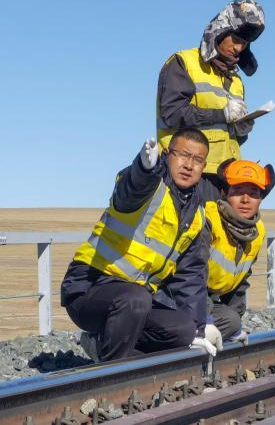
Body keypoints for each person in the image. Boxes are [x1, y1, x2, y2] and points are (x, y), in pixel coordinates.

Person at [60, 128, 219, 361]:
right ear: (168, 154)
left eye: (197, 160)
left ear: (203, 166)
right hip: (89, 287)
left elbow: (189, 277)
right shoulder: (151, 186)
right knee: (135, 299)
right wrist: (144, 169)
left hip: (136, 301)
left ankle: (105, 349)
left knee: (182, 330)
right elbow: (129, 191)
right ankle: (113, 374)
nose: (188, 165)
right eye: (183, 155)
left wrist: (198, 331)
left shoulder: (196, 216)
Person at [156, 0, 266, 182]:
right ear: (220, 31)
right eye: (236, 40)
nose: (239, 48)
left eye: (244, 43)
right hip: (186, 175)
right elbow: (172, 114)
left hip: (225, 177)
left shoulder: (236, 81)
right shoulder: (184, 62)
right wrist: (223, 114)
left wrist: (241, 131)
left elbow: (227, 137)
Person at [205, 159, 275, 344]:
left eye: (253, 193)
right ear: (224, 193)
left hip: (206, 300)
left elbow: (241, 279)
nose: (245, 200)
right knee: (227, 320)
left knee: (231, 320)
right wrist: (205, 320)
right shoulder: (207, 220)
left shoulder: (257, 231)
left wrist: (235, 325)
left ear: (260, 199)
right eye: (237, 192)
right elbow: (189, 275)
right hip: (182, 299)